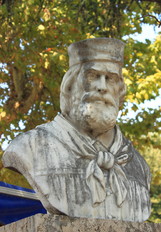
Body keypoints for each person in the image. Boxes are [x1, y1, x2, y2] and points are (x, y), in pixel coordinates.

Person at [2, 38, 151, 222]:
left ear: (120, 91)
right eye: (92, 76)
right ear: (70, 85)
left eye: (111, 79)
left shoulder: (139, 166)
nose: (102, 87)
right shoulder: (30, 147)